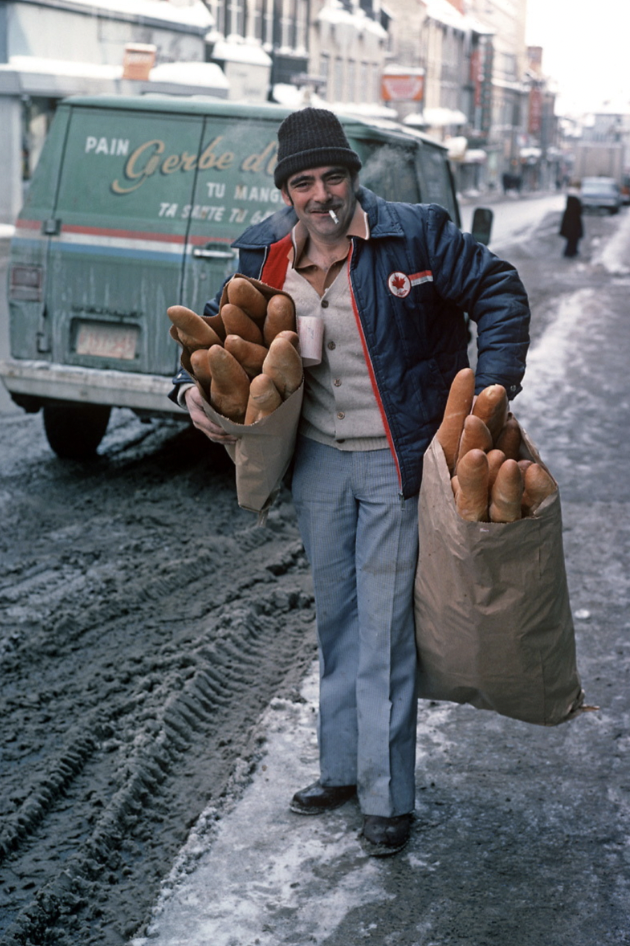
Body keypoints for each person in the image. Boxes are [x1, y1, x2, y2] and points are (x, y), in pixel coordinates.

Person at [171, 108, 530, 857]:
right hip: (318, 462)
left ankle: (387, 795)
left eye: (333, 176)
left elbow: (498, 290)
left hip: (398, 458)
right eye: (304, 182)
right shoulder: (264, 255)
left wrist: (491, 397)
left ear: (353, 178)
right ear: (288, 191)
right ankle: (341, 768)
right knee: (336, 619)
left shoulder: (416, 234)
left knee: (385, 630)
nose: (321, 194)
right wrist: (187, 395)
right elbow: (211, 336)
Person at [559, 190, 583, 258]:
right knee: (572, 241)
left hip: (571, 228)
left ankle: (571, 252)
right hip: (573, 228)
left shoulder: (569, 209)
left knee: (571, 241)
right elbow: (580, 210)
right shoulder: (573, 207)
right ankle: (570, 252)